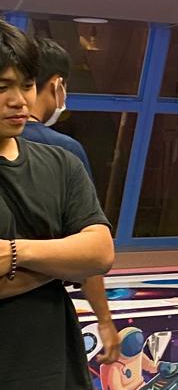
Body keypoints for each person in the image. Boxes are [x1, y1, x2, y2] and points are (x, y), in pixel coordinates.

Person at [0, 20, 115, 390]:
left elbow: (99, 252)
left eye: (26, 85)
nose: (19, 101)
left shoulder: (61, 163)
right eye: (2, 88)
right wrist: (61, 261)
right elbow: (80, 255)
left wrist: (15, 253)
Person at [24, 37, 119, 367]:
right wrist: (104, 320)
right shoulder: (64, 153)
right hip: (40, 312)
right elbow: (88, 248)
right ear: (57, 85)